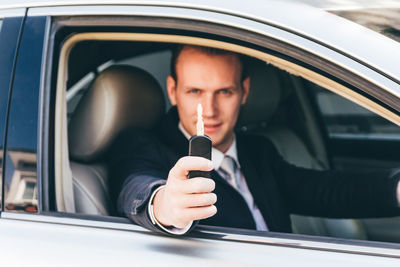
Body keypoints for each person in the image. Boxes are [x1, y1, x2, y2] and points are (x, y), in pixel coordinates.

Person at [109, 44, 400, 235]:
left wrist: (395, 189)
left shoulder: (258, 151)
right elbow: (136, 186)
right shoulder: (142, 145)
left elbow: (324, 190)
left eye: (225, 92)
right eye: (195, 92)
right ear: (172, 91)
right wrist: (164, 206)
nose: (209, 110)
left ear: (244, 91)